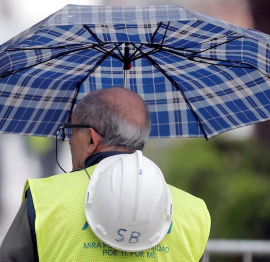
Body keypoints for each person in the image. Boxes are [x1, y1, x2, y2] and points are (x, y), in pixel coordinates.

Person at [0, 87, 211, 262]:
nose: (70, 141)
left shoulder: (43, 200)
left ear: (91, 139)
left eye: (72, 132)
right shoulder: (193, 212)